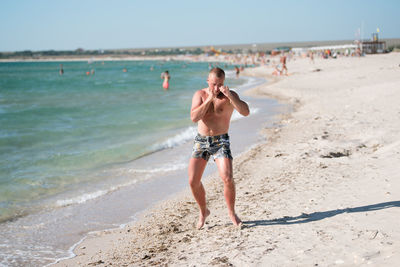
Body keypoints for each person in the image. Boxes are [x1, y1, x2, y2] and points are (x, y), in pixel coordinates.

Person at [189, 67, 250, 229]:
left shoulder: (229, 97)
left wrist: (230, 96)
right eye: (213, 84)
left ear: (224, 83)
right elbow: (194, 117)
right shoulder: (200, 95)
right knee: (193, 181)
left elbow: (246, 112)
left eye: (220, 84)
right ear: (208, 81)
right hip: (201, 141)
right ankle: (203, 211)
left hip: (221, 141)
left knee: (228, 178)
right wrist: (209, 99)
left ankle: (231, 213)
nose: (216, 88)